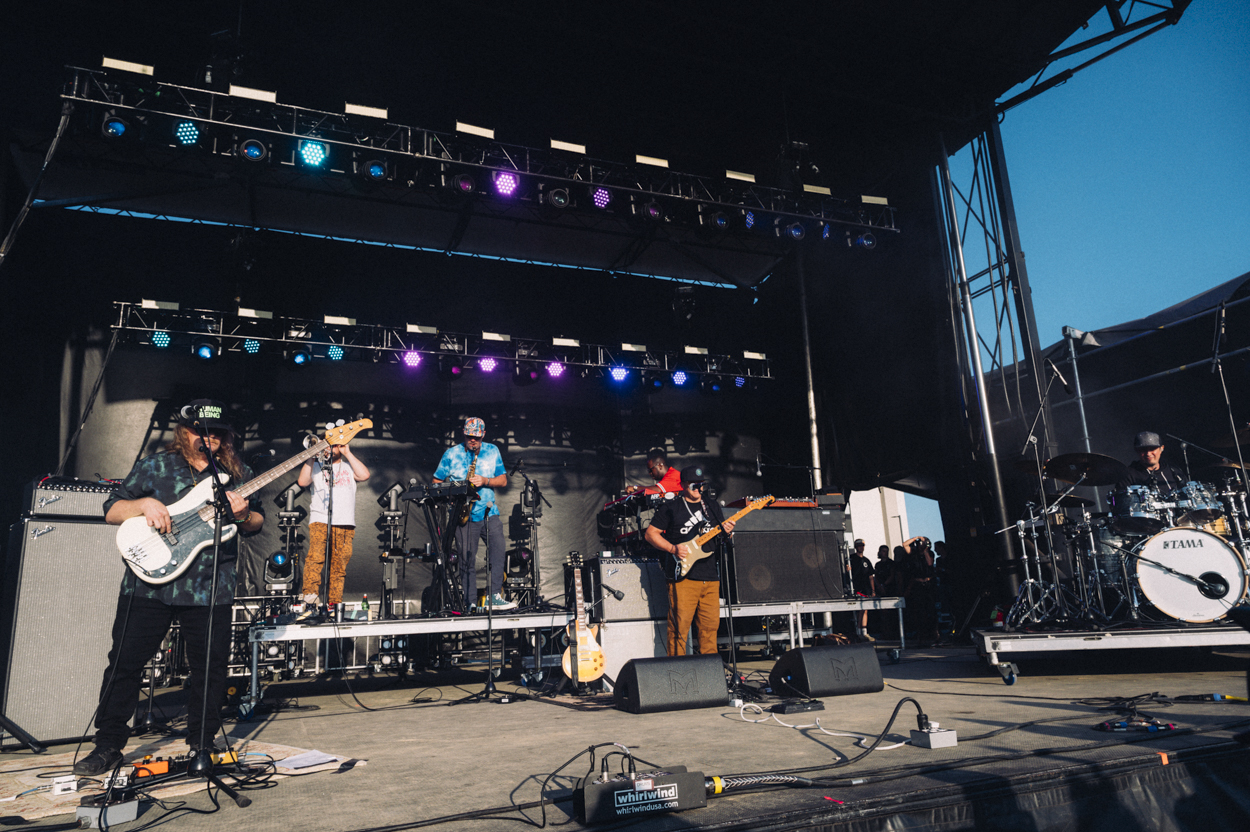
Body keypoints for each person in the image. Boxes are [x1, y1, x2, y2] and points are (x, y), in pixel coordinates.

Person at [75, 399, 264, 776]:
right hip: (148, 586)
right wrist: (144, 504)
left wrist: (244, 515)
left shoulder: (237, 474)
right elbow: (111, 510)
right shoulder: (156, 466)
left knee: (209, 669)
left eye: (216, 433)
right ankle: (108, 745)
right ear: (184, 431)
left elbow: (256, 521)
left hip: (209, 586)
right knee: (125, 664)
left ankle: (202, 744)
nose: (208, 438)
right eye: (199, 431)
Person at [644, 466, 735, 656]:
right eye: (694, 485)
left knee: (710, 628)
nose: (699, 489)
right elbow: (650, 534)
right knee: (679, 628)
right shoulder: (671, 507)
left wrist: (726, 532)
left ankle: (708, 669)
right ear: (684, 485)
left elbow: (717, 538)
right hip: (684, 578)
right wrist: (673, 549)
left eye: (702, 485)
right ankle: (677, 669)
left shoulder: (712, 506)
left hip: (710, 576)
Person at [433, 417, 515, 611]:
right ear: (464, 433)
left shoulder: (492, 450)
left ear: (483, 435)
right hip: (464, 515)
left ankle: (494, 596)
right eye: (470, 436)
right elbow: (436, 481)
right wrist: (452, 495)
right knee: (466, 560)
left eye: (477, 437)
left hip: (488, 512)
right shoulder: (451, 454)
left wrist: (485, 481)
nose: (473, 440)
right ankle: (469, 603)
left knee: (498, 552)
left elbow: (503, 480)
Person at [298, 440, 370, 608]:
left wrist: (347, 452)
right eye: (327, 444)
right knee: (315, 558)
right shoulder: (316, 466)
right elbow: (302, 482)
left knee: (339, 564)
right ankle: (310, 597)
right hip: (320, 519)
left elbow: (365, 475)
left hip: (345, 521)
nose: (330, 448)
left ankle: (334, 603)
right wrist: (312, 455)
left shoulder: (348, 466)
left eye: (335, 444)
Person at [1120, 431, 1187, 492]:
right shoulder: (1128, 475)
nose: (1148, 454)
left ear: (1162, 448)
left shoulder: (1174, 471)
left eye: (1152, 449)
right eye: (1143, 449)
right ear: (1137, 450)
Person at [849, 539, 876, 641]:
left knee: (865, 610)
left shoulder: (866, 560)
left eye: (862, 545)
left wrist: (873, 590)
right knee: (859, 610)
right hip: (856, 588)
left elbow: (871, 576)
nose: (861, 547)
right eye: (859, 546)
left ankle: (864, 632)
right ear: (856, 547)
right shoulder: (851, 558)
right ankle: (858, 632)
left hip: (866, 589)